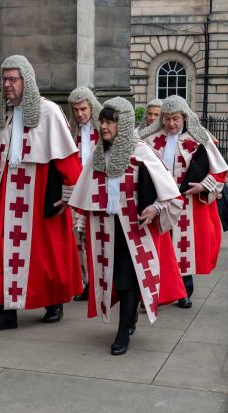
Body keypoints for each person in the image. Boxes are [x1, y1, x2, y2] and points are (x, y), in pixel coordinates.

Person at [69, 97, 186, 355]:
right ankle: (129, 317)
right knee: (113, 278)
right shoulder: (98, 155)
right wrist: (81, 222)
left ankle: (122, 333)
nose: (104, 126)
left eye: (110, 121)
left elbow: (169, 193)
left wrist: (155, 208)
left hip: (133, 230)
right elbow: (85, 194)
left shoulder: (140, 151)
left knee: (128, 280)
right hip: (105, 230)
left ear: (122, 123)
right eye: (102, 121)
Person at [0, 55, 82, 332]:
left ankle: (54, 302)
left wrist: (69, 192)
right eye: (4, 79)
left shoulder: (49, 112)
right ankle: (5, 314)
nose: (7, 85)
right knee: (2, 253)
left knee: (46, 255)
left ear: (27, 81)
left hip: (40, 192)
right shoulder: (1, 115)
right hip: (7, 196)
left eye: (12, 79)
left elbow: (67, 157)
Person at [139, 95, 228, 309]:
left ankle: (184, 292)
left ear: (185, 118)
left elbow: (220, 173)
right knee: (159, 247)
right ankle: (157, 292)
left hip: (188, 204)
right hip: (159, 202)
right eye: (167, 118)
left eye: (176, 119)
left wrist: (203, 186)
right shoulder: (150, 139)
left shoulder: (200, 138)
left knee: (183, 249)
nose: (171, 124)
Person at [67, 86, 103, 302]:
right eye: (76, 110)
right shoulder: (72, 131)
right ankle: (86, 284)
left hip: (98, 190)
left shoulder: (103, 128)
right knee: (80, 240)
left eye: (83, 109)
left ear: (91, 106)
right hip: (77, 192)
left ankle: (100, 284)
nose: (80, 114)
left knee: (97, 240)